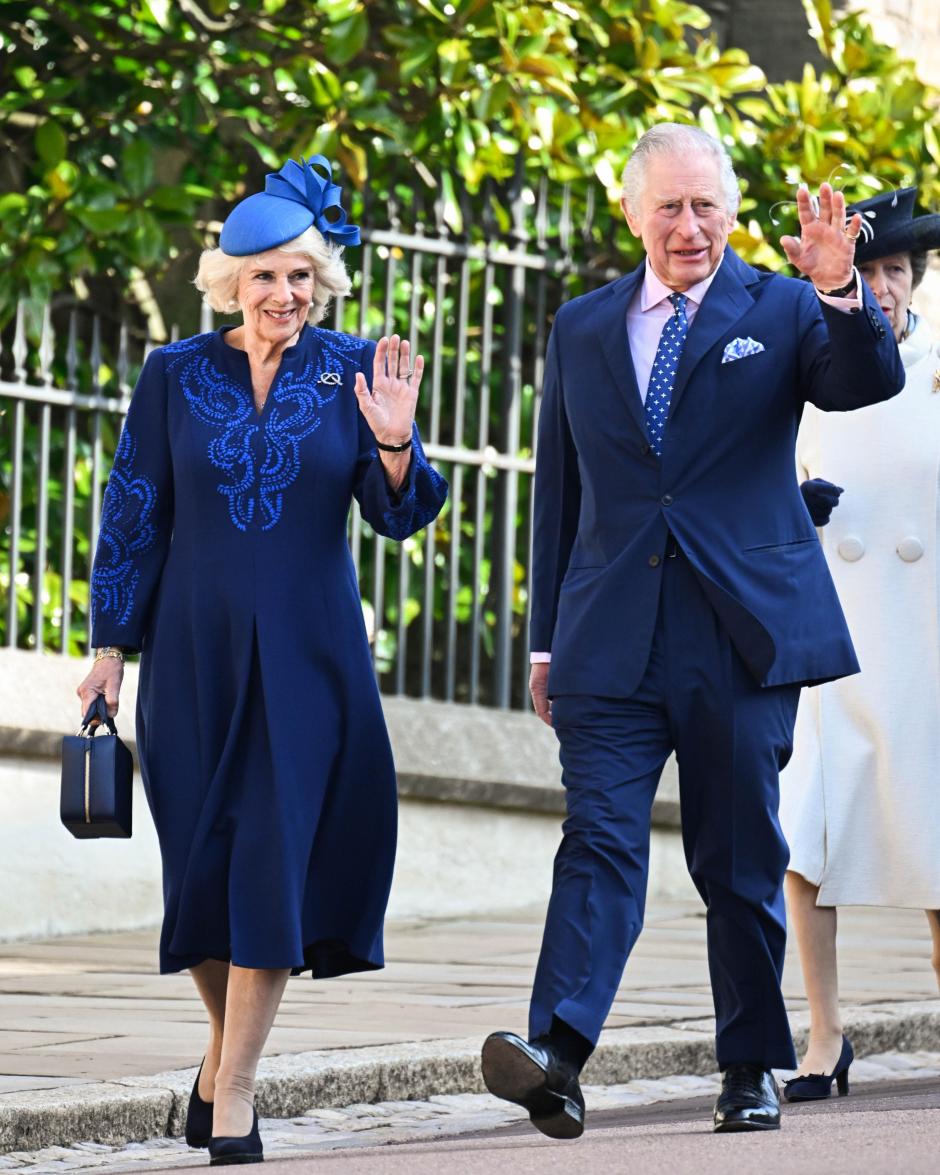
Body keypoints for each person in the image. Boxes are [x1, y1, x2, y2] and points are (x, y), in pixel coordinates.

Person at [479, 123, 904, 1139]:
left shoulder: (782, 305)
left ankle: (748, 1060)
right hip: (610, 636)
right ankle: (558, 1054)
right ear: (632, 213)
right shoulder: (582, 327)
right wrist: (544, 641)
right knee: (599, 841)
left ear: (729, 208)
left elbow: (863, 381)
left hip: (741, 631)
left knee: (738, 854)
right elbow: (560, 488)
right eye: (668, 205)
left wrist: (843, 291)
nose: (689, 225)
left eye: (705, 204)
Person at [76, 156, 447, 1166]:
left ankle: (234, 1092)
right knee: (200, 872)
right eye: (263, 277)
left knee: (271, 869)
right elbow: (134, 510)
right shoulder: (174, 373)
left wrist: (398, 444)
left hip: (308, 656)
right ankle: (216, 1058)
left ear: (320, 281)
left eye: (299, 276)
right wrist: (111, 646)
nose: (283, 294)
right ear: (227, 283)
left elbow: (402, 515)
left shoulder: (353, 369)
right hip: (190, 655)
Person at [780, 186, 940, 1101]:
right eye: (868, 269)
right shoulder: (810, 357)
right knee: (810, 834)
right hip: (834, 618)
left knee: (932, 833)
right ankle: (824, 1035)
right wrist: (788, 510)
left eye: (895, 270)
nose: (881, 287)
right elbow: (767, 458)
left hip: (923, 623)